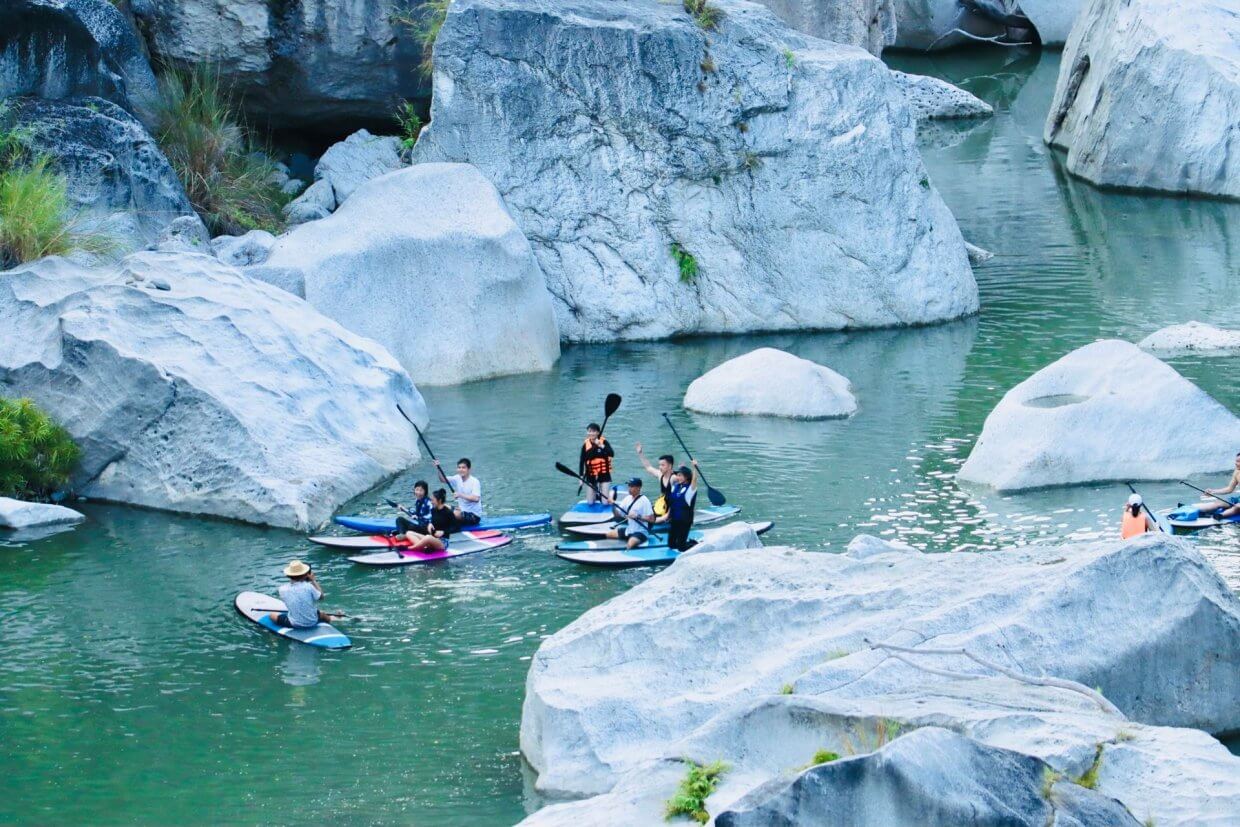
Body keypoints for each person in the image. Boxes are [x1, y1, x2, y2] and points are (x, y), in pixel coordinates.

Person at [269, 560, 341, 628]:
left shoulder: (282, 589)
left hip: (294, 623)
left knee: (272, 615)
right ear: (305, 575)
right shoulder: (308, 587)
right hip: (313, 621)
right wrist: (313, 580)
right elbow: (321, 597)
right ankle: (335, 619)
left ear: (288, 575)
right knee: (321, 614)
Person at [601, 477, 656, 549]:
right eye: (629, 486)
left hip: (641, 532)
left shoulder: (644, 500)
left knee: (630, 544)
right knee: (608, 535)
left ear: (638, 488)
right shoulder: (627, 499)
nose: (629, 488)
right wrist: (613, 505)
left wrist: (637, 516)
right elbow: (618, 515)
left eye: (632, 486)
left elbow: (652, 519)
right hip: (629, 530)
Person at [399, 488, 459, 553]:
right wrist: (430, 524)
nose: (431, 502)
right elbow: (433, 522)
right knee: (409, 533)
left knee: (428, 537)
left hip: (442, 542)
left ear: (439, 500)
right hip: (432, 537)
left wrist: (444, 532)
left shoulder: (448, 512)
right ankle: (425, 548)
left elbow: (456, 527)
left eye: (433, 500)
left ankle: (409, 548)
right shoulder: (433, 510)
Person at [660, 460, 698, 552]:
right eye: (678, 475)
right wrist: (668, 515)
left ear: (687, 477)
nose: (678, 477)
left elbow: (694, 480)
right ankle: (685, 542)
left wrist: (694, 467)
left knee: (681, 548)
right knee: (671, 545)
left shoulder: (690, 490)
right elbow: (672, 502)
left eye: (680, 475)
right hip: (674, 519)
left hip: (684, 521)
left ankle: (695, 545)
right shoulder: (676, 486)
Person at [435, 457, 483, 526]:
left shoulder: (475, 481)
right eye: (459, 467)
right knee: (440, 505)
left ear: (469, 469)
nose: (461, 470)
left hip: (474, 516)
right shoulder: (457, 478)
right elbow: (443, 479)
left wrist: (460, 495)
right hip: (461, 510)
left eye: (463, 468)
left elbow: (476, 498)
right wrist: (438, 468)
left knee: (451, 513)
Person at [1196, 452, 1240, 521]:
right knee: (1219, 503)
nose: (1235, 463)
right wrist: (1213, 492)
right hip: (1238, 499)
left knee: (1237, 507)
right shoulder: (1237, 472)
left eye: (1238, 461)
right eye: (1236, 461)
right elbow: (1229, 489)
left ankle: (1220, 516)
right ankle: (1195, 511)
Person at [635, 442, 674, 517]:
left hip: (670, 509)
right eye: (659, 465)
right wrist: (640, 453)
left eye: (663, 465)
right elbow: (648, 467)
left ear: (670, 466)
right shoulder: (660, 475)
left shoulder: (674, 478)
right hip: (662, 504)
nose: (660, 467)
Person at [579, 423, 615, 504]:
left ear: (598, 432)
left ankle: (611, 493)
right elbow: (581, 461)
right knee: (590, 503)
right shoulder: (585, 445)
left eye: (593, 431)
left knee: (605, 503)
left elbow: (612, 453)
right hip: (591, 474)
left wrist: (601, 445)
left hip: (604, 473)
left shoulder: (604, 442)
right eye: (589, 431)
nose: (591, 433)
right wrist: (581, 477)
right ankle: (597, 493)